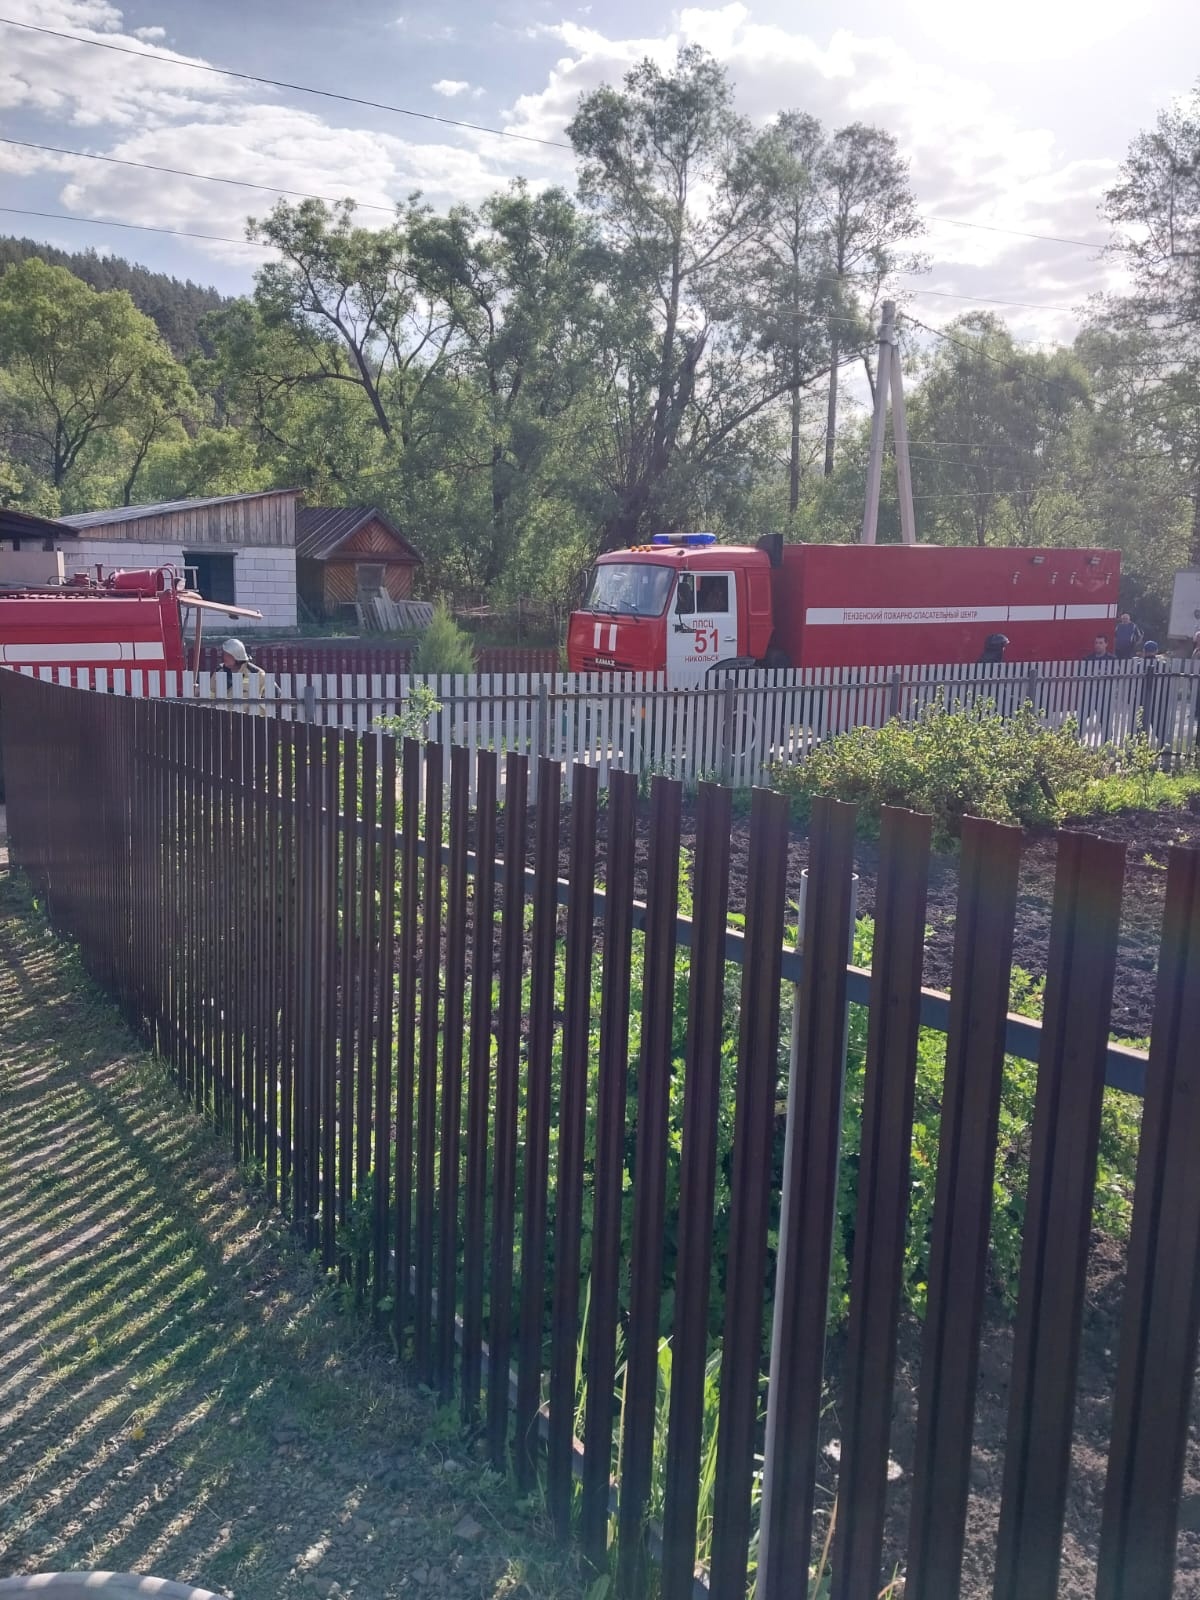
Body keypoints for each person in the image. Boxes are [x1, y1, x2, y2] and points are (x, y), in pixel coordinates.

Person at [211, 636, 269, 712]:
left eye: (228, 655)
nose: (224, 657)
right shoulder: (219, 672)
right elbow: (210, 693)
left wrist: (259, 710)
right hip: (224, 720)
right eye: (224, 654)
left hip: (250, 721)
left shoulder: (257, 674)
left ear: (237, 656)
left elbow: (273, 695)